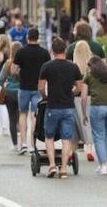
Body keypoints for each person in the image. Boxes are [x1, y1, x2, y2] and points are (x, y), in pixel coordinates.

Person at [38, 38, 82, 179]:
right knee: (66, 139)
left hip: (52, 106)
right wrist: (71, 93)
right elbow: (79, 87)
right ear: (65, 50)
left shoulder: (46, 66)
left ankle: (52, 165)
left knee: (49, 137)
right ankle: (63, 169)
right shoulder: (73, 67)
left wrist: (45, 96)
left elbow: (40, 87)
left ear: (52, 51)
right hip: (68, 107)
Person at [11, 28, 51, 154]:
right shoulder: (44, 53)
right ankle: (32, 145)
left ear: (27, 37)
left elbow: (13, 70)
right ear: (38, 37)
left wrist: (20, 74)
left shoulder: (21, 52)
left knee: (22, 114)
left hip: (23, 87)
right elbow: (48, 70)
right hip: (38, 87)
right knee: (34, 115)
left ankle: (23, 143)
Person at [72, 40, 95, 161]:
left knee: (76, 123)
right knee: (88, 123)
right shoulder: (91, 67)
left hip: (76, 98)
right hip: (91, 97)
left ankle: (72, 149)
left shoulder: (74, 67)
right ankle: (89, 149)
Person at [0, 41, 22, 151]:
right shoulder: (24, 64)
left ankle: (15, 144)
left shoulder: (7, 63)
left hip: (9, 93)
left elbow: (0, 79)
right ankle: (24, 142)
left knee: (12, 119)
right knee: (21, 118)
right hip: (22, 92)